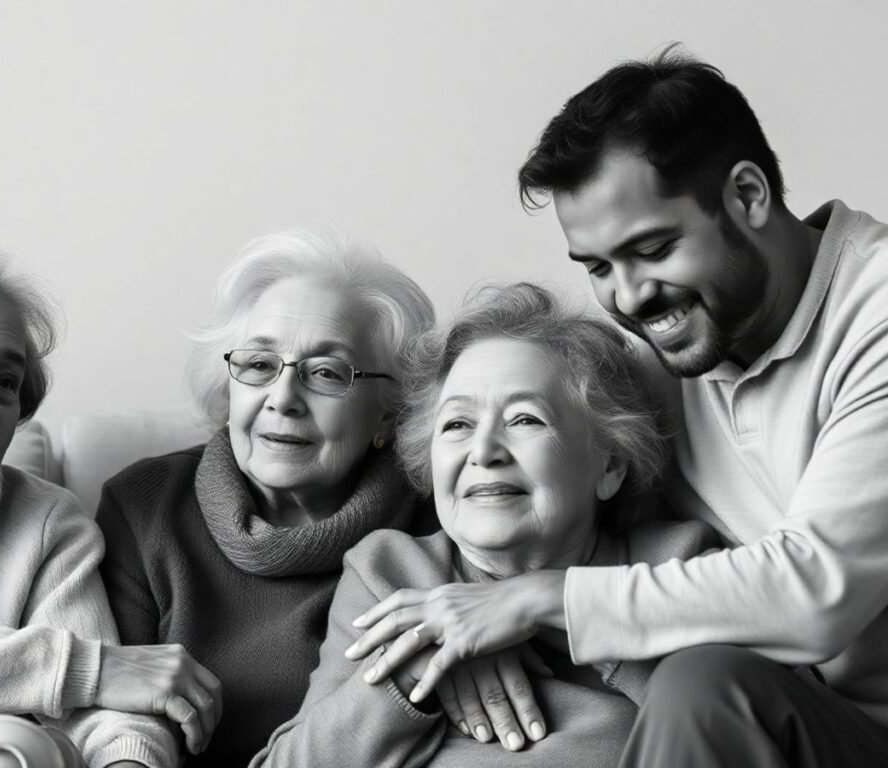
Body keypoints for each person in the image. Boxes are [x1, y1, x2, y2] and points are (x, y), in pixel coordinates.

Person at [351, 48, 888, 766]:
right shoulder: (664, 358)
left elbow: (816, 592)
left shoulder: (875, 313)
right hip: (788, 721)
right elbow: (493, 481)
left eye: (654, 248)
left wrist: (535, 601)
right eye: (600, 268)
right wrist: (449, 635)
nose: (631, 298)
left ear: (749, 195)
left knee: (706, 684)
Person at [250, 282, 717, 767]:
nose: (484, 451)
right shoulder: (389, 573)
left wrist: (553, 613)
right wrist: (417, 663)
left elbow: (736, 735)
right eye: (457, 425)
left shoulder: (675, 567)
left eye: (525, 420)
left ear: (610, 465)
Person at [0, 230, 221, 768]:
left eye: (6, 381)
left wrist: (129, 759)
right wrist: (87, 670)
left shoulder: (44, 523)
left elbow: (107, 712)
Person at [97, 229, 449, 766]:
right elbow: (121, 723)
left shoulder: (442, 517)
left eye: (327, 373)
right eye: (260, 365)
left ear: (387, 410)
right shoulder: (146, 508)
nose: (283, 398)